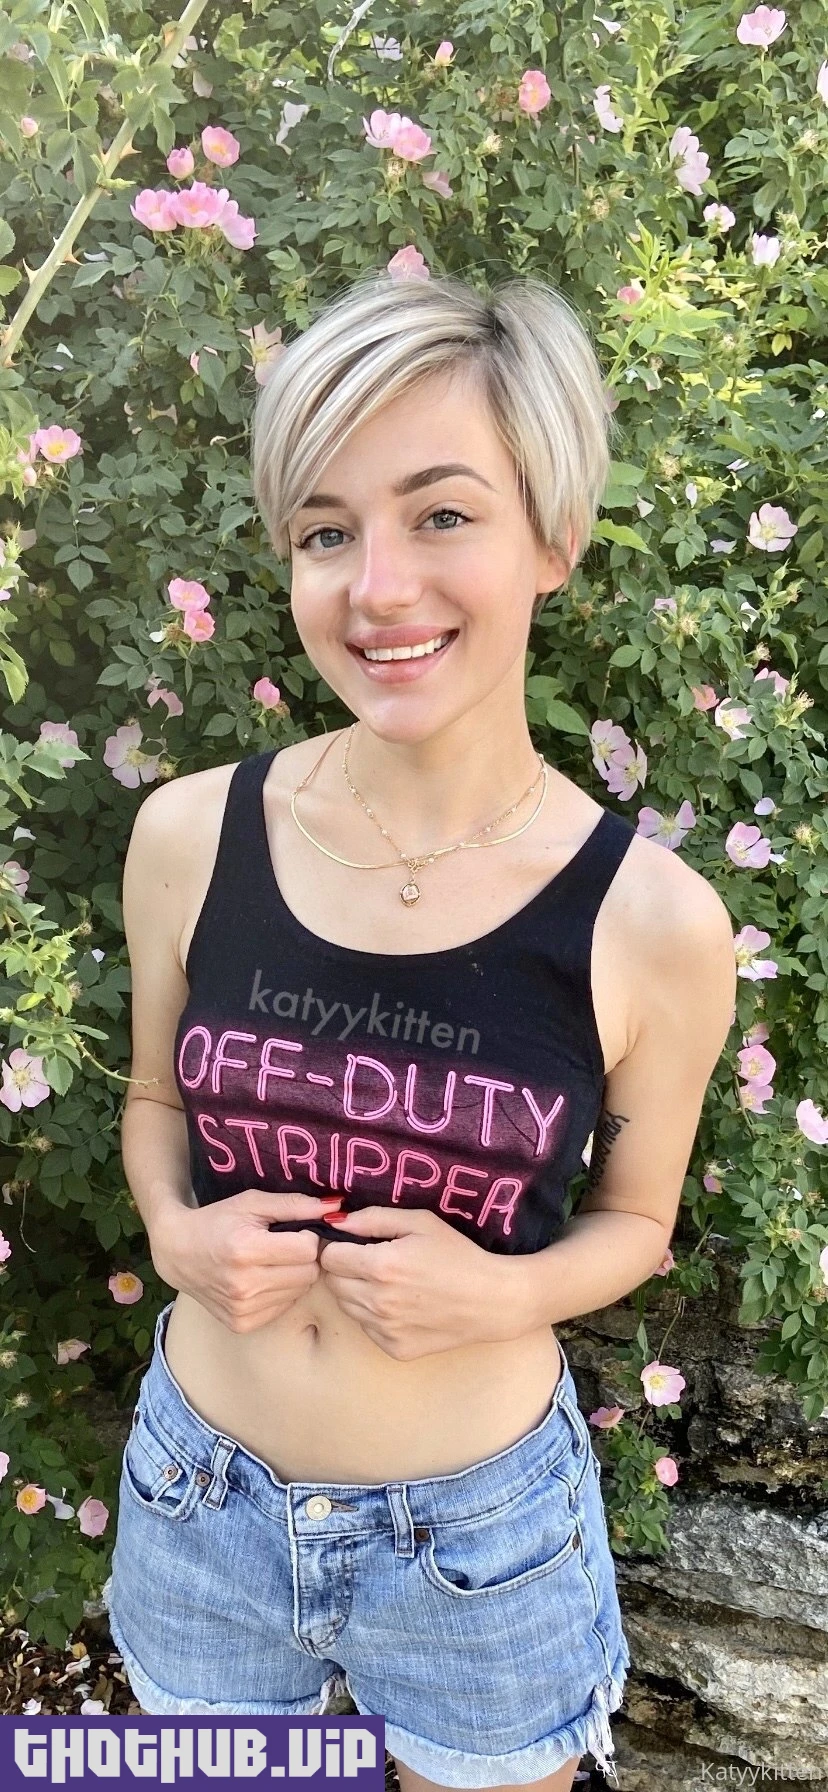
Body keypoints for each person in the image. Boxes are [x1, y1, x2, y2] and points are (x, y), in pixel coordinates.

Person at [103, 271, 737, 1791]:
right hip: (200, 1500)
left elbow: (637, 1223)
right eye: (327, 532)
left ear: (554, 539)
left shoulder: (653, 924)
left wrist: (500, 1293)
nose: (377, 588)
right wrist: (174, 1235)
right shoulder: (190, 836)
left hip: (478, 1546)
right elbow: (155, 1103)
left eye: (442, 514)